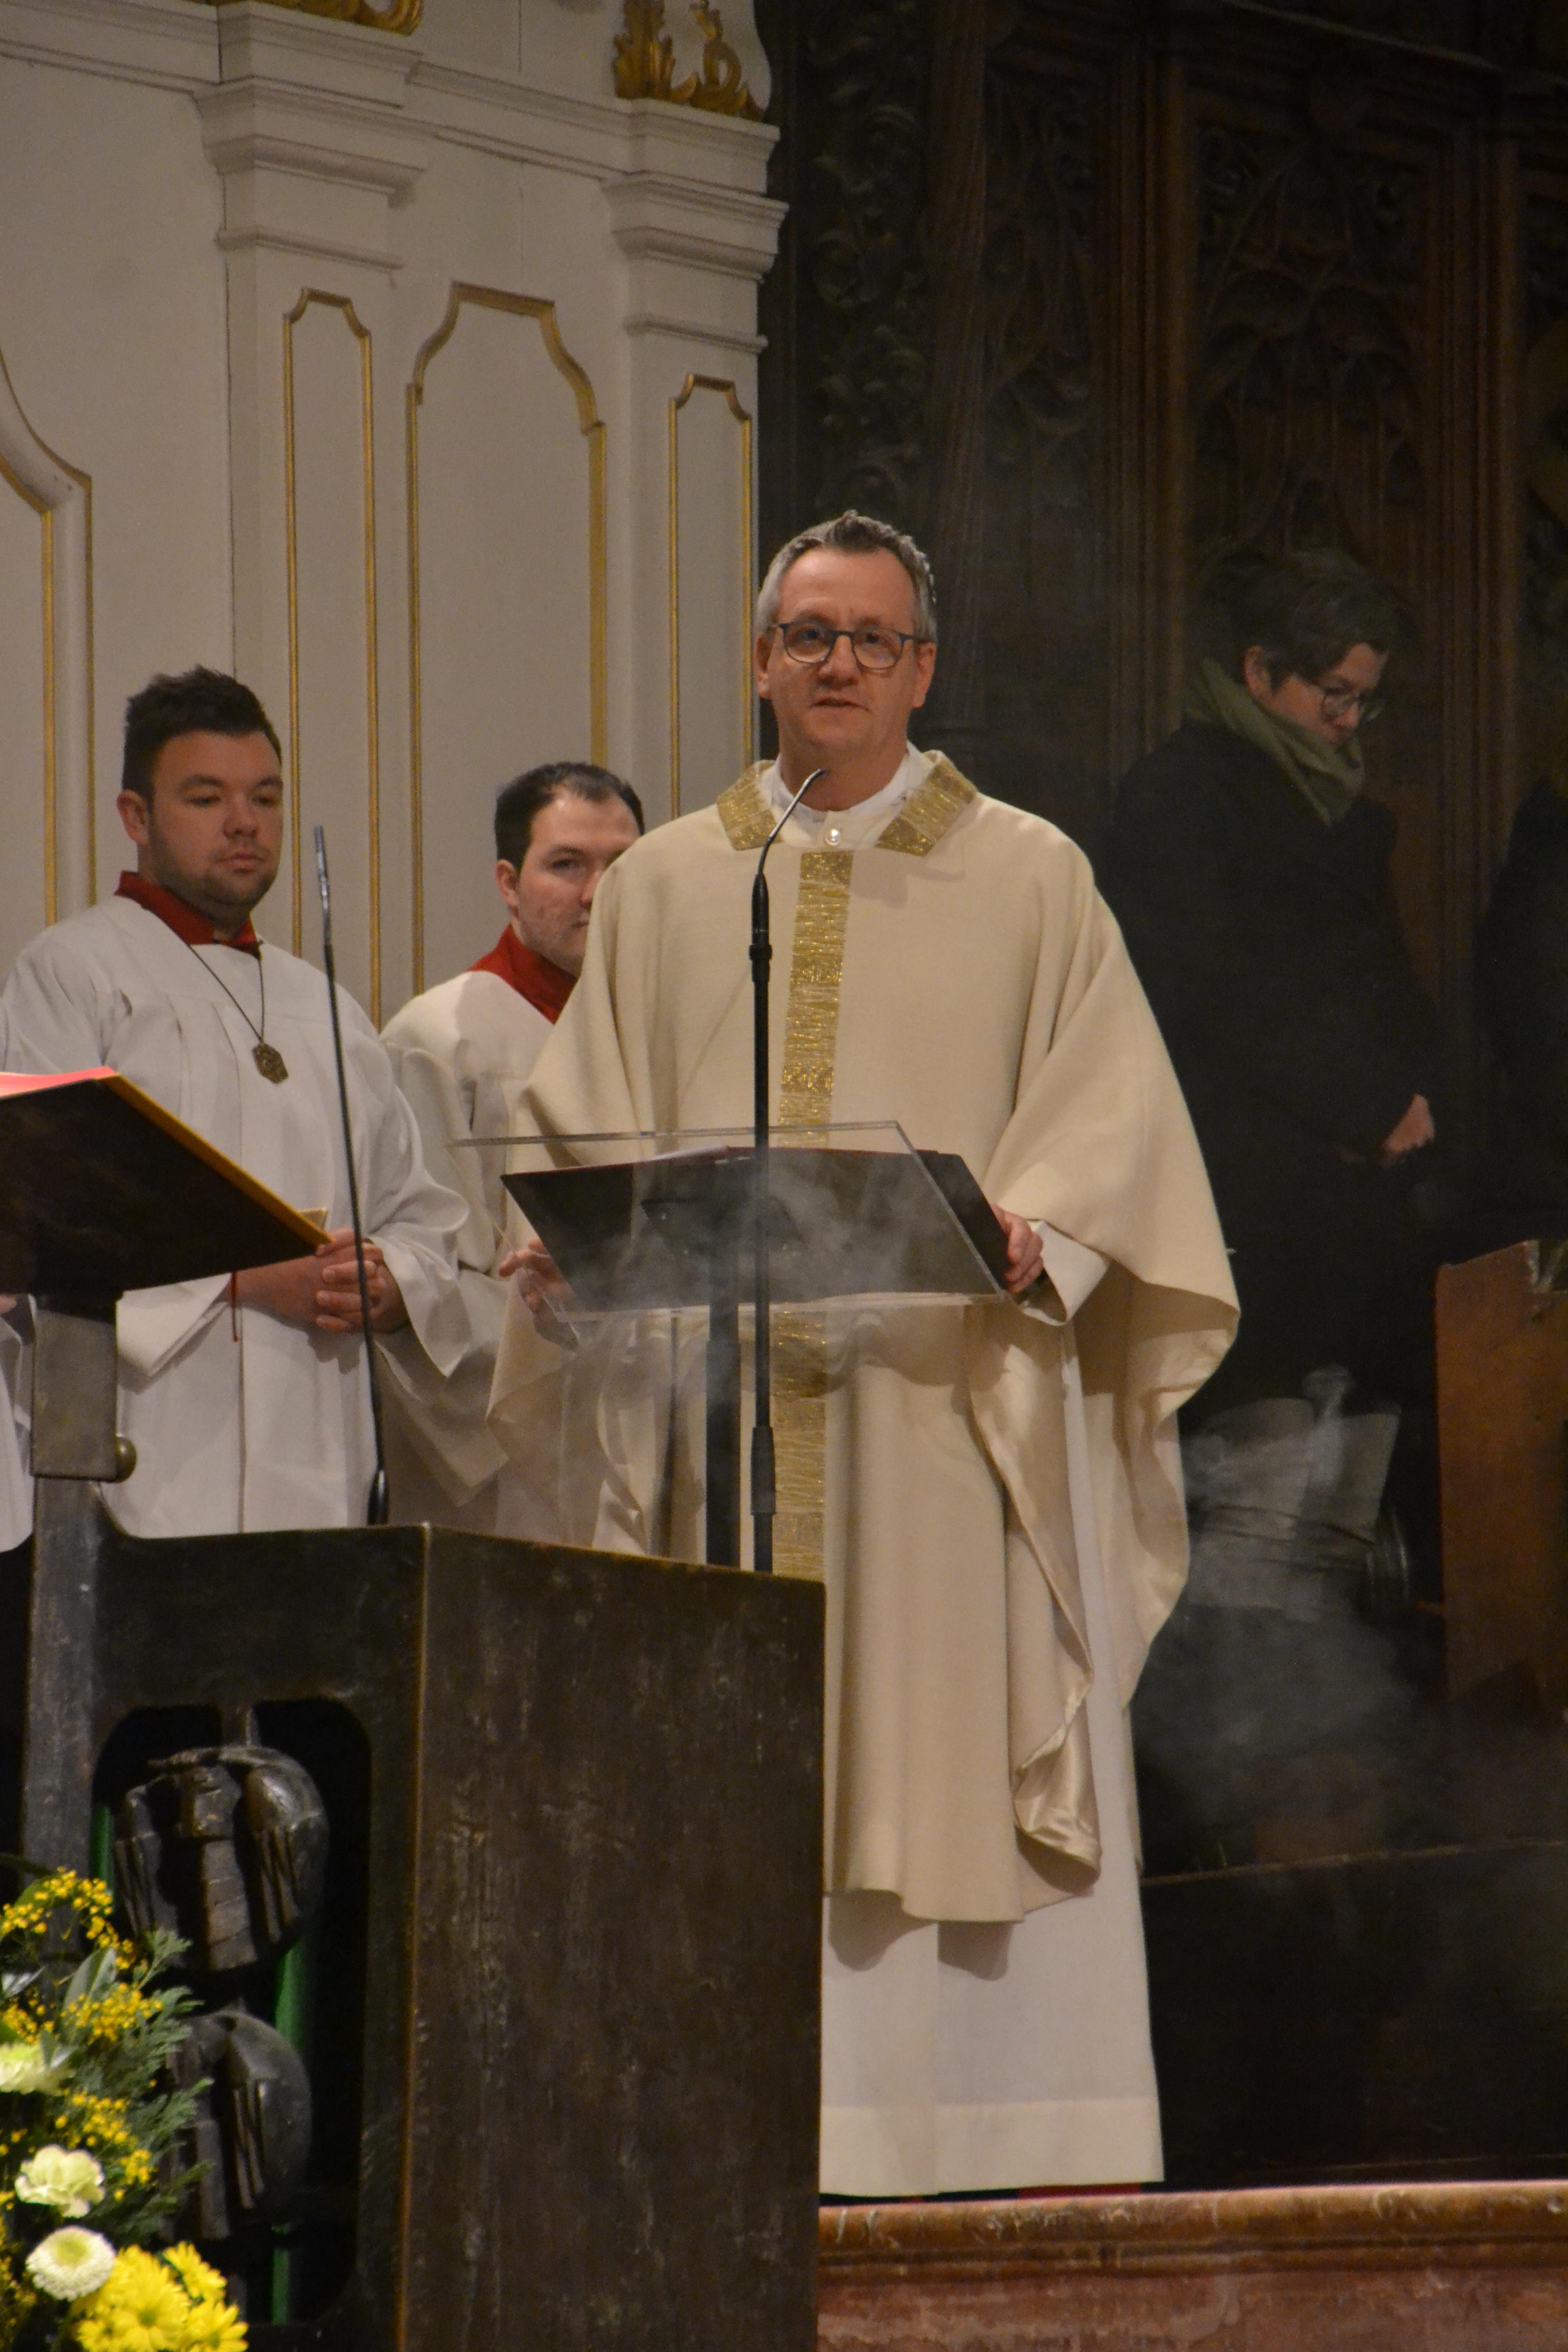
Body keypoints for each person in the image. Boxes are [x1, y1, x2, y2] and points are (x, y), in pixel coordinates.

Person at [489, 510, 1235, 2196]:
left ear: (924, 667)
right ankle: (724, 2136)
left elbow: (1110, 1115)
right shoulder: (677, 877)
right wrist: (561, 1246)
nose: (840, 663)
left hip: (940, 1409)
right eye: (810, 633)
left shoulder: (1031, 870)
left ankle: (988, 2138)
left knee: (957, 1733)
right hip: (724, 1414)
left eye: (875, 638)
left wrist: (1046, 1223)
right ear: (760, 659)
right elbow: (587, 1115)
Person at [1100, 550, 1443, 1864]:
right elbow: (1205, 995)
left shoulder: (1335, 805)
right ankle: (1225, 1804)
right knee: (1249, 1523)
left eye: (1364, 701)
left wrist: (1415, 1094)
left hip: (1354, 1224)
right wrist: (1361, 1099)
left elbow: (1376, 976)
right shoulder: (1185, 796)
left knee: (1338, 1527)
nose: (1351, 725)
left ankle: (1310, 1789)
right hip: (1253, 1207)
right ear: (1261, 674)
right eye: (1334, 699)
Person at [0, 667, 465, 1537]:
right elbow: (49, 1214)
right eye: (207, 798)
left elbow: (420, 1219)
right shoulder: (75, 972)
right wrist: (248, 1279)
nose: (244, 823)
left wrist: (388, 1281)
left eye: (265, 796)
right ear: (135, 817)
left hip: (319, 1451)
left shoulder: (326, 1006)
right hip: (149, 1442)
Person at [378, 762, 643, 1532]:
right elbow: (425, 1277)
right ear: (508, 881)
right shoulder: (440, 1040)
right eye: (566, 865)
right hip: (508, 1453)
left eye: (621, 865)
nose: (597, 893)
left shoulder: (667, 1031)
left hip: (647, 1426)